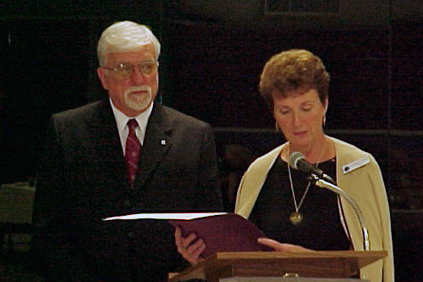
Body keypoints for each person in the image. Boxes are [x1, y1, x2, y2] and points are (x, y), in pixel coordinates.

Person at [175, 49, 394, 282]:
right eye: (285, 111)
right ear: (274, 114)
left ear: (325, 105)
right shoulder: (258, 172)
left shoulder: (359, 167)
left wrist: (309, 263)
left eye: (306, 108)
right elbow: (241, 260)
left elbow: (373, 262)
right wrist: (202, 257)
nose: (297, 121)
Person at [31, 20, 223, 282]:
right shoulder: (67, 131)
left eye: (147, 67)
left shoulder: (194, 135)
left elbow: (209, 229)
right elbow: (49, 230)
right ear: (103, 77)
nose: (138, 79)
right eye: (124, 69)